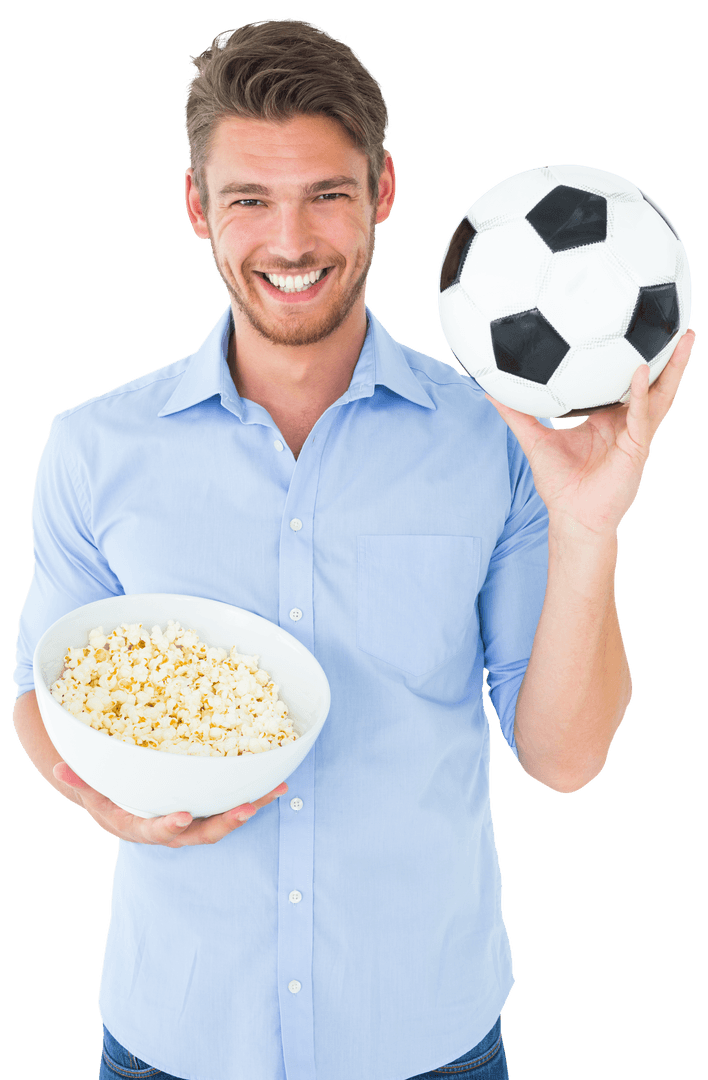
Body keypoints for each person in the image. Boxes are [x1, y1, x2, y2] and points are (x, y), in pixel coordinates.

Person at [11, 17, 694, 1080]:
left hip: (426, 1039)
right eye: (249, 199)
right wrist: (98, 797)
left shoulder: (497, 441)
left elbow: (565, 760)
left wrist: (588, 527)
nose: (290, 242)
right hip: (176, 1035)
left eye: (326, 193)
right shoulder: (95, 448)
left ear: (382, 191)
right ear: (197, 207)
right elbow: (45, 690)